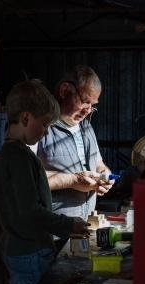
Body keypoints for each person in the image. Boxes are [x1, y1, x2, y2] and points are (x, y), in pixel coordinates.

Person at [0, 78, 90, 284]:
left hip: (17, 246)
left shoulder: (8, 152)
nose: (47, 132)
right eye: (45, 125)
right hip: (30, 251)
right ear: (26, 118)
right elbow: (30, 211)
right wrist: (67, 224)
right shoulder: (21, 158)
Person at [36, 65, 115, 221]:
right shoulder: (38, 127)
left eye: (93, 105)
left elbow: (98, 162)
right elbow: (27, 179)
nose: (88, 110)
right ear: (64, 90)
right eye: (85, 101)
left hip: (82, 226)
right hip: (51, 232)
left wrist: (105, 175)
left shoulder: (86, 126)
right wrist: (73, 181)